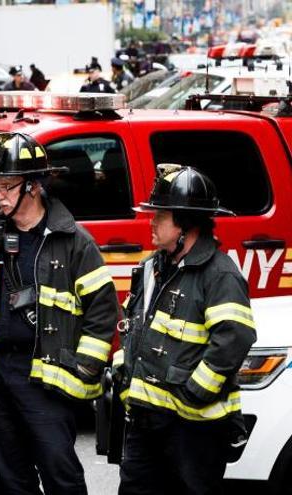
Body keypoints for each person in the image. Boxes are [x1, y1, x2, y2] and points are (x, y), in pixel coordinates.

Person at [0, 132, 117, 494]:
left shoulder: (73, 242)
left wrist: (81, 368)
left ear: (34, 187)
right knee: (10, 479)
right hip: (0, 377)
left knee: (60, 474)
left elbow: (102, 312)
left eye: (6, 186)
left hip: (48, 381)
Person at [116, 164, 256, 495]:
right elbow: (133, 325)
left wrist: (194, 392)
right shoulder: (152, 267)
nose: (151, 221)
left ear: (185, 224)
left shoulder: (219, 275)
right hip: (146, 419)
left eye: (160, 216)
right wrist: (125, 378)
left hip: (194, 429)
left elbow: (235, 337)